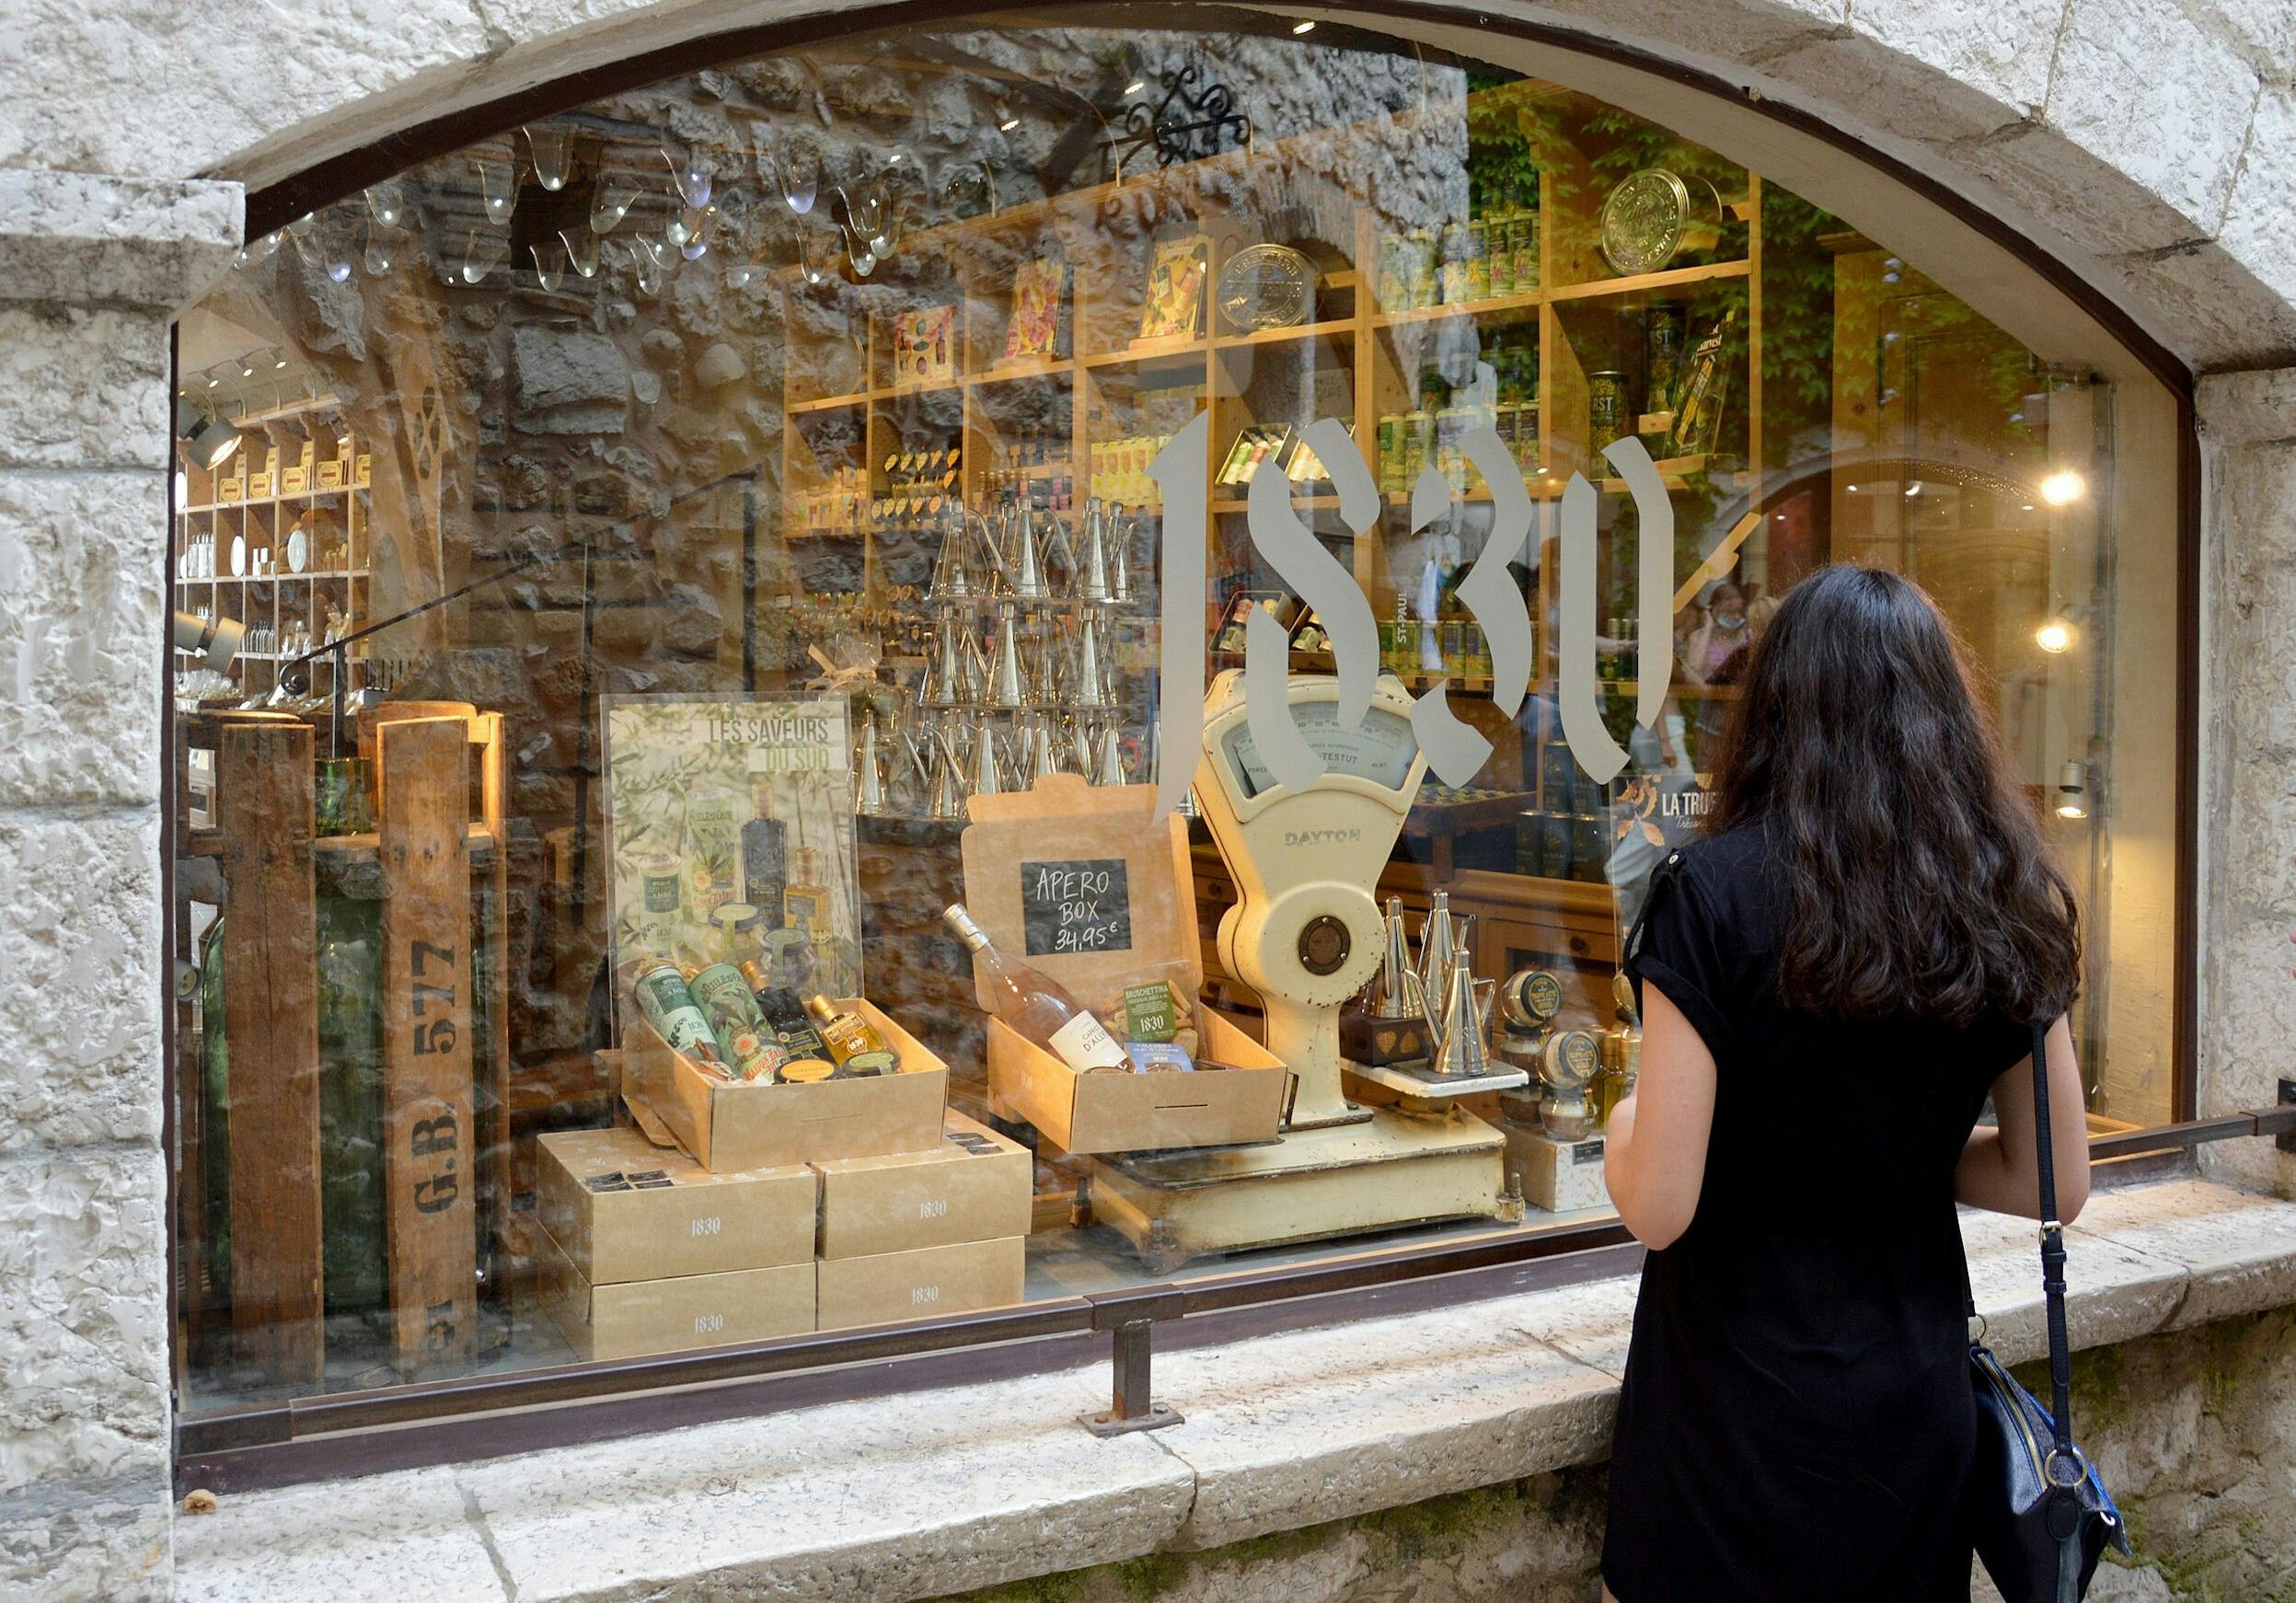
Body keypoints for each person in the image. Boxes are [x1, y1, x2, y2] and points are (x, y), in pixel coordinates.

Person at [1598, 565, 2090, 1603]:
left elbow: (1657, 1203)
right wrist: (1886, 1149)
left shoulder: (1711, 894)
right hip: (1908, 1415)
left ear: (1773, 707)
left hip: (1727, 1417)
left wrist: (1622, 1121)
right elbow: (2047, 1180)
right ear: (1945, 716)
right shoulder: (2008, 902)